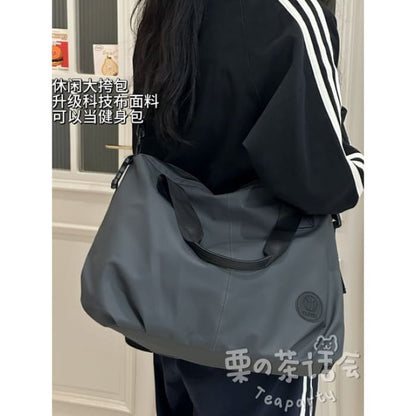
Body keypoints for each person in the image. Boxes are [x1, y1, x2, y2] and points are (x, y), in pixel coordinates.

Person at [126, 0, 364, 415]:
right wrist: (358, 167)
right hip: (262, 314)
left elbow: (152, 150)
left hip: (174, 301)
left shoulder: (165, 10)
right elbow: (322, 181)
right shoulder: (291, 15)